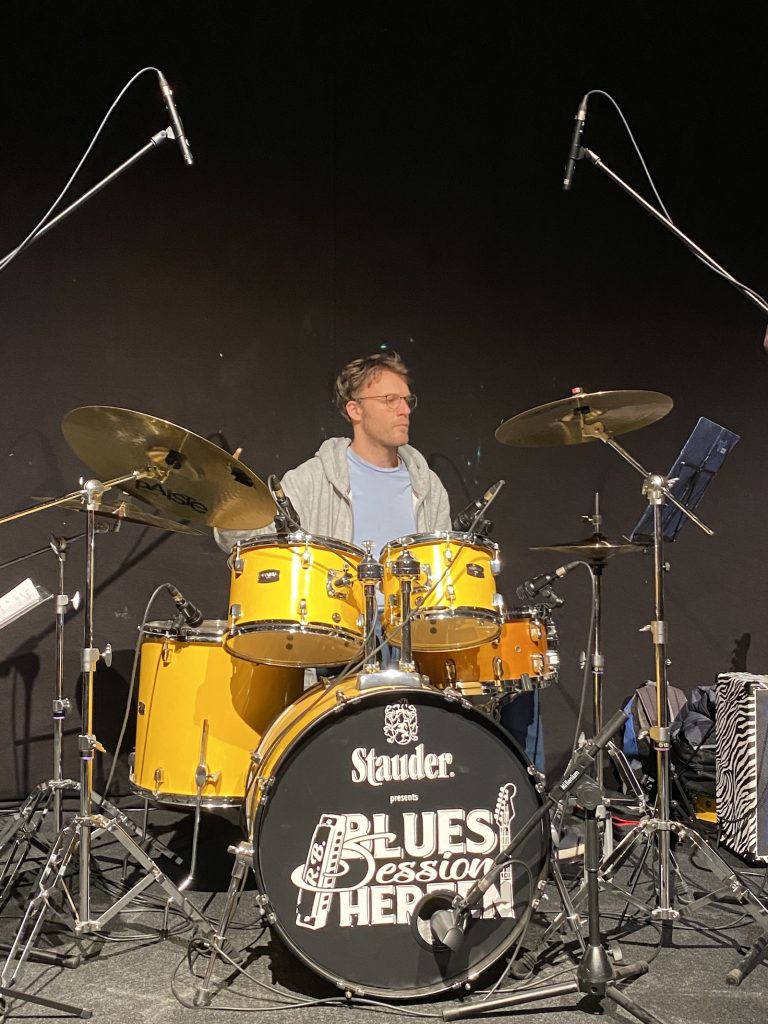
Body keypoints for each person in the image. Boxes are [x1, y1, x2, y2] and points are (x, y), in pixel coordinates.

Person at [215, 351, 450, 554]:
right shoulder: (311, 480)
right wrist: (230, 502)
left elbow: (445, 568)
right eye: (391, 400)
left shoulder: (428, 486)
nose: (405, 410)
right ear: (355, 410)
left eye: (407, 401)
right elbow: (250, 542)